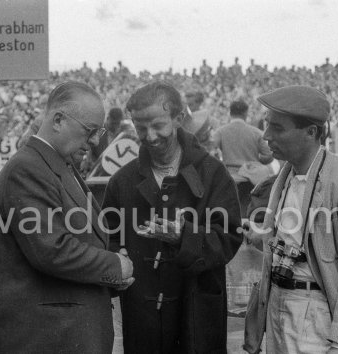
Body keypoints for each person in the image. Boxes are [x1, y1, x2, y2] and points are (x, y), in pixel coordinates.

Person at [0, 81, 134, 354]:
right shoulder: (27, 170)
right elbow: (52, 250)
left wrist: (113, 276)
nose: (95, 141)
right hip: (43, 339)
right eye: (89, 130)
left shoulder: (55, 165)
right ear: (58, 120)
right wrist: (114, 266)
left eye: (100, 131)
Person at [103, 81, 243, 353]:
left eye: (158, 126)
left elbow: (229, 237)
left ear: (179, 118)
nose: (150, 136)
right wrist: (115, 259)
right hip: (143, 318)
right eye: (140, 128)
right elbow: (108, 237)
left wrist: (184, 237)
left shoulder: (213, 174)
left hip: (197, 313)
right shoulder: (122, 181)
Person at [244, 85, 338, 354]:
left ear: (311, 132)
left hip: (317, 315)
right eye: (267, 125)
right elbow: (299, 242)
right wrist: (262, 237)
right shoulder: (285, 176)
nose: (267, 136)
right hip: (277, 306)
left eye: (278, 128)